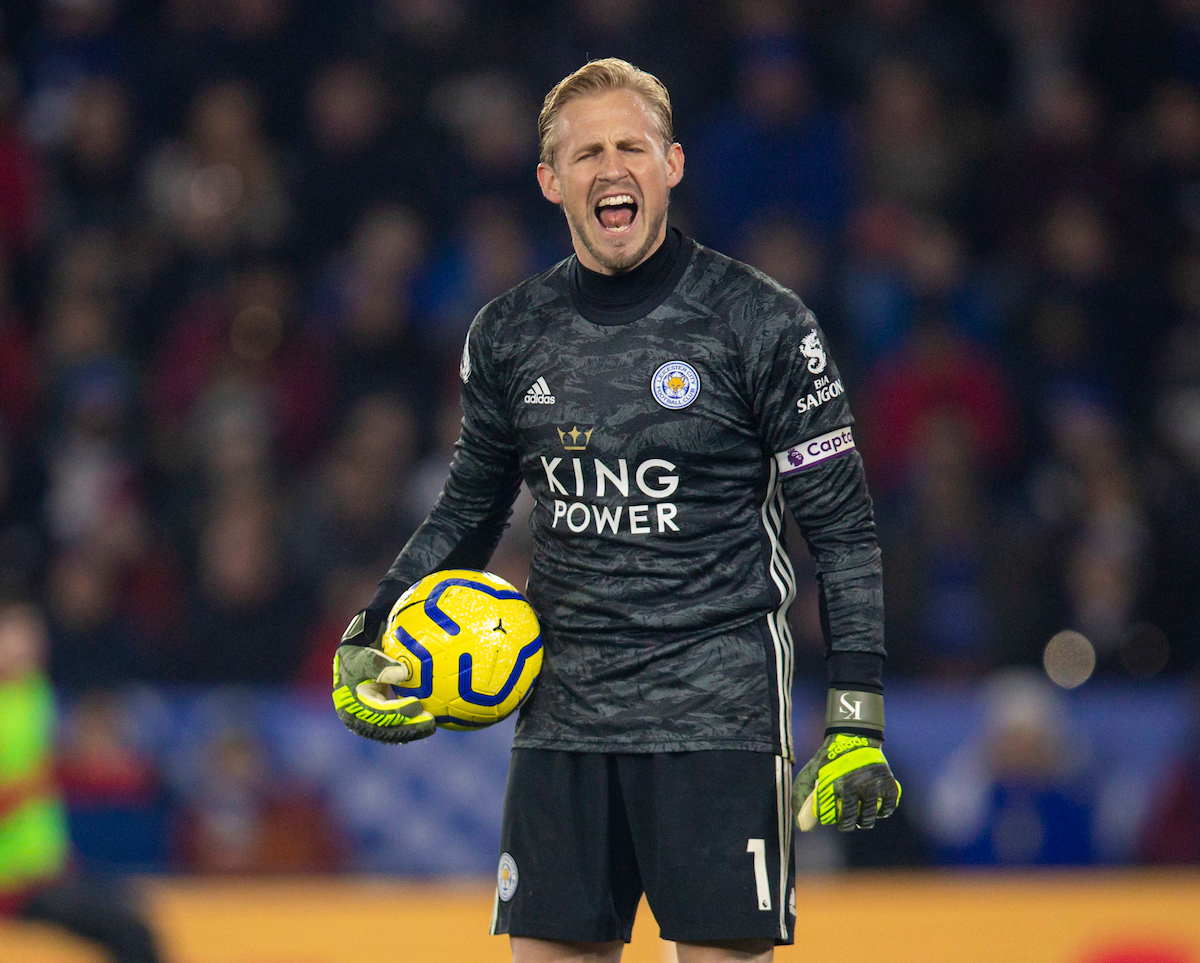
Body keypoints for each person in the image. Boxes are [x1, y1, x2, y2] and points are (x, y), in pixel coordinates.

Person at [332, 59, 900, 963]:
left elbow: (841, 526)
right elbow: (468, 513)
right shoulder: (511, 332)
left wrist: (857, 710)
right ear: (550, 182)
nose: (611, 167)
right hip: (562, 718)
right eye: (585, 152)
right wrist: (371, 627)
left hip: (719, 718)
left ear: (671, 163)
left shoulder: (761, 322)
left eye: (630, 146)